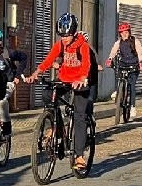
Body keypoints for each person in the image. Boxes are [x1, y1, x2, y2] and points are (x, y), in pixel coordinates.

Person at [23, 12, 98, 172]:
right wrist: (36, 74)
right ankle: (55, 126)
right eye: (61, 35)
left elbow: (86, 63)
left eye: (67, 35)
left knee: (79, 116)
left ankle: (79, 156)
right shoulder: (60, 45)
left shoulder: (82, 45)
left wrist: (83, 78)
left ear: (74, 33)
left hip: (80, 82)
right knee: (47, 94)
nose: (64, 38)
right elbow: (49, 59)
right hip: (64, 79)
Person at [105, 21, 142, 119]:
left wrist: (141, 62)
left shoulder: (135, 41)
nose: (124, 34)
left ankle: (132, 106)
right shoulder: (119, 42)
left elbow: (140, 51)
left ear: (129, 32)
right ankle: (118, 91)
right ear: (120, 34)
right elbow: (114, 50)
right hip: (123, 64)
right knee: (119, 74)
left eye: (126, 32)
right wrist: (110, 59)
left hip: (134, 65)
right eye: (122, 32)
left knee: (131, 85)